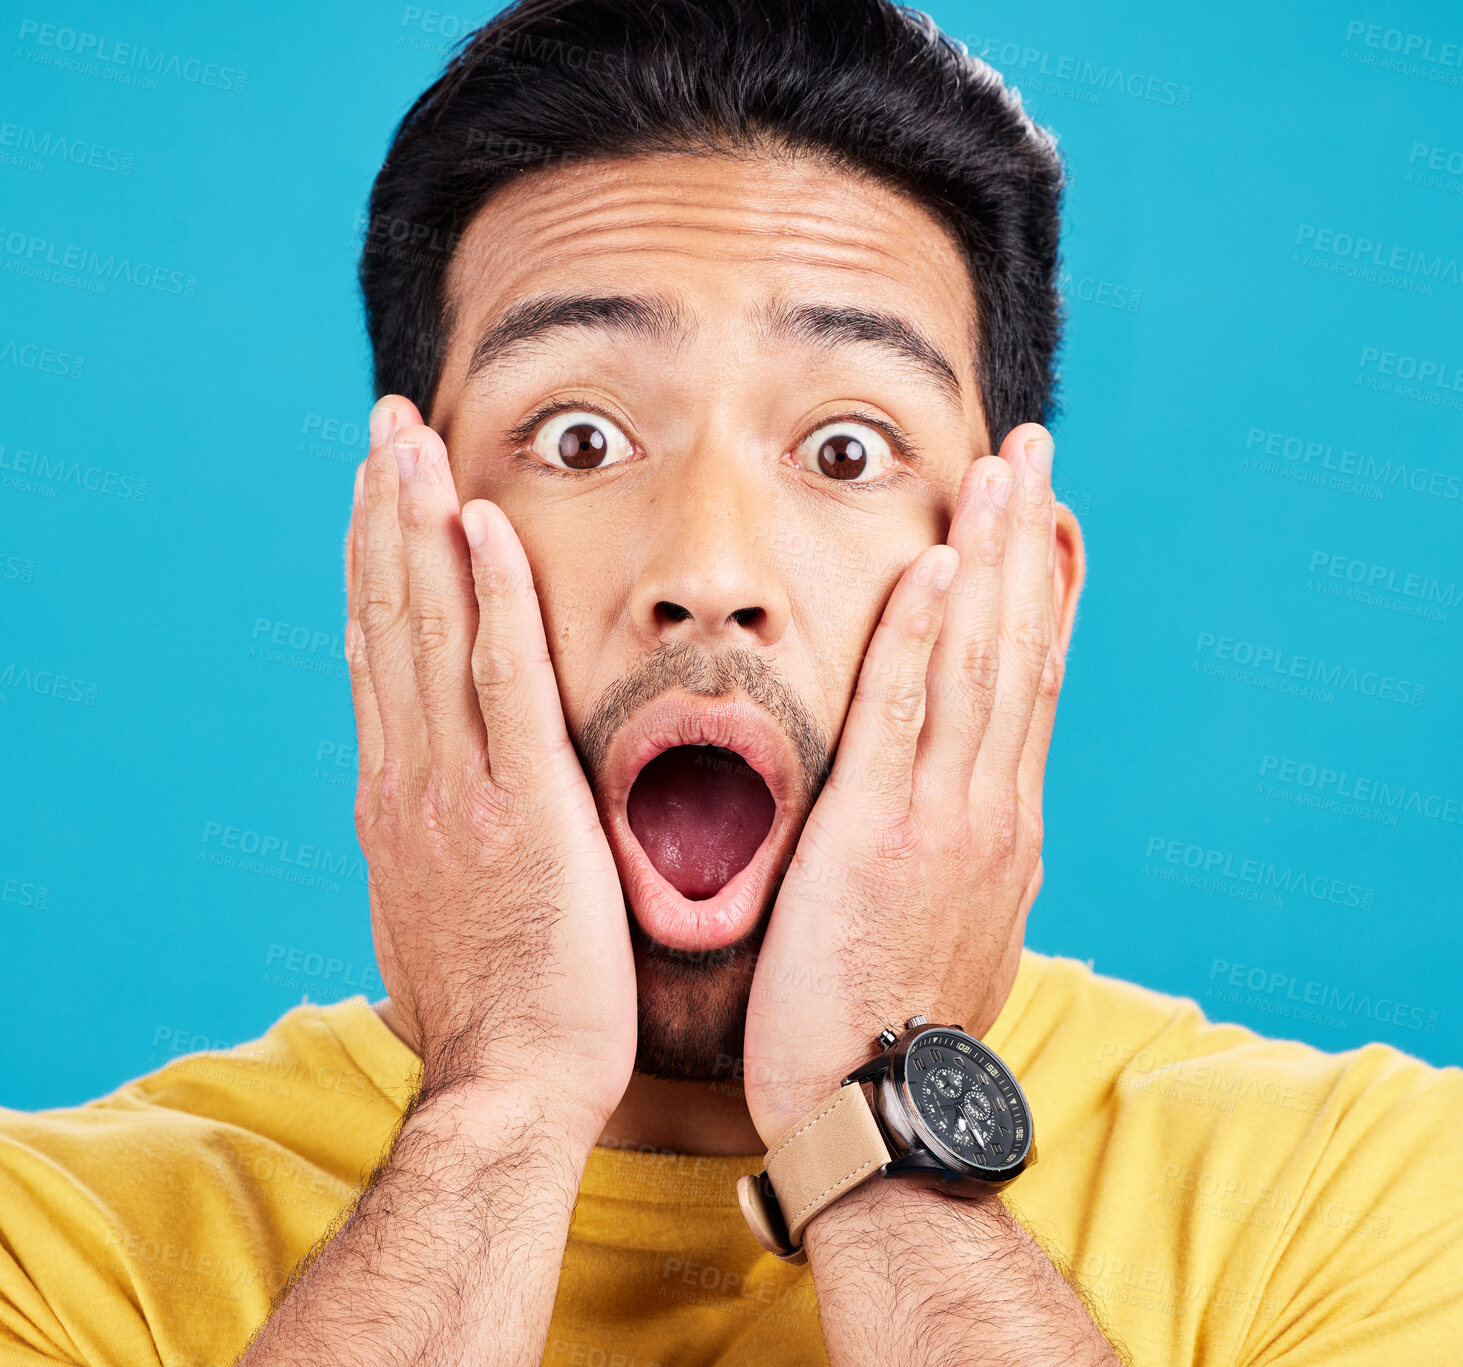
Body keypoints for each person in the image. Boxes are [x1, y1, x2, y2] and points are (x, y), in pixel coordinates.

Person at [2, 1, 1459, 1363]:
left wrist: (877, 1125)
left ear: (1026, 598)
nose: (708, 568)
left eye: (844, 450)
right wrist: (501, 1101)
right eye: (579, 437)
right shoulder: (56, 1248)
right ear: (404, 569)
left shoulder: (1369, 1194)